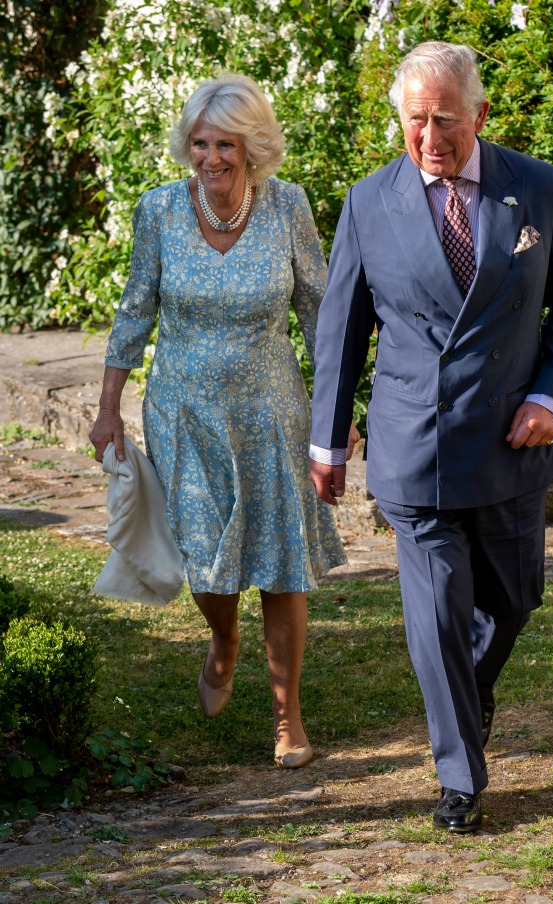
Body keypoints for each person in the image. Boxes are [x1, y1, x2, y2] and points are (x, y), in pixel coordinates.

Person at [309, 42, 553, 828]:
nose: (430, 137)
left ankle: (463, 706)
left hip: (513, 441)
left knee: (512, 603)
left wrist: (550, 396)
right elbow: (342, 331)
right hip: (419, 444)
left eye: (444, 119)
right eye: (415, 121)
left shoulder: (536, 188)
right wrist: (327, 443)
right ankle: (460, 778)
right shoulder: (370, 203)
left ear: (480, 115)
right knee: (437, 619)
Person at [89, 73, 354, 769]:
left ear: (253, 147)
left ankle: (287, 717)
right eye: (201, 143)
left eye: (227, 144)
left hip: (273, 415)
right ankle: (225, 642)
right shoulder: (160, 211)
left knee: (282, 566)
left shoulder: (288, 207)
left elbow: (321, 316)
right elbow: (134, 311)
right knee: (208, 567)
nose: (212, 158)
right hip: (185, 415)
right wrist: (107, 407)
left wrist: (337, 413)